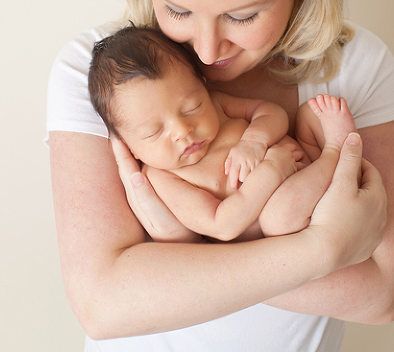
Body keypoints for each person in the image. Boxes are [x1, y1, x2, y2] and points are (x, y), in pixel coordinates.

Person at [47, 0, 394, 352]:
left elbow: (380, 295)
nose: (205, 49)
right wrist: (324, 249)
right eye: (176, 9)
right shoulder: (98, 74)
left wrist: (172, 258)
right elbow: (105, 303)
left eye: (241, 17)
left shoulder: (356, 66)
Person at [88, 24, 359, 242]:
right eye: (154, 132)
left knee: (312, 113)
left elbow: (271, 113)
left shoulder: (217, 106)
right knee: (280, 216)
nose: (183, 131)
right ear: (129, 147)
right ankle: (337, 155)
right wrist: (273, 168)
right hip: (285, 212)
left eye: (193, 107)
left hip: (302, 162)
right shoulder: (162, 179)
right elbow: (222, 225)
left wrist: (255, 141)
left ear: (203, 87)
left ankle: (337, 168)